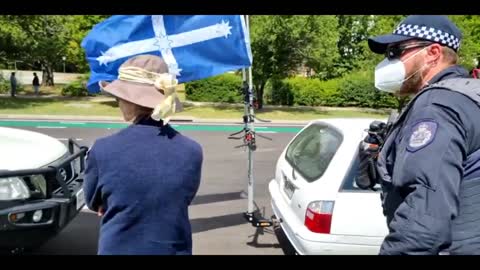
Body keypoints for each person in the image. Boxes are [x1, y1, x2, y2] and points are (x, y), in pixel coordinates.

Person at [358, 15, 480, 255]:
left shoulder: (437, 108)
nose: (387, 62)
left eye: (396, 51)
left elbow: (424, 220)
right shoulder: (466, 96)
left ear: (433, 53)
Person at [84, 54, 203, 255]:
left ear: (129, 100)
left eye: (119, 97)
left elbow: (94, 202)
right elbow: (180, 196)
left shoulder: (103, 149)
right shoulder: (192, 150)